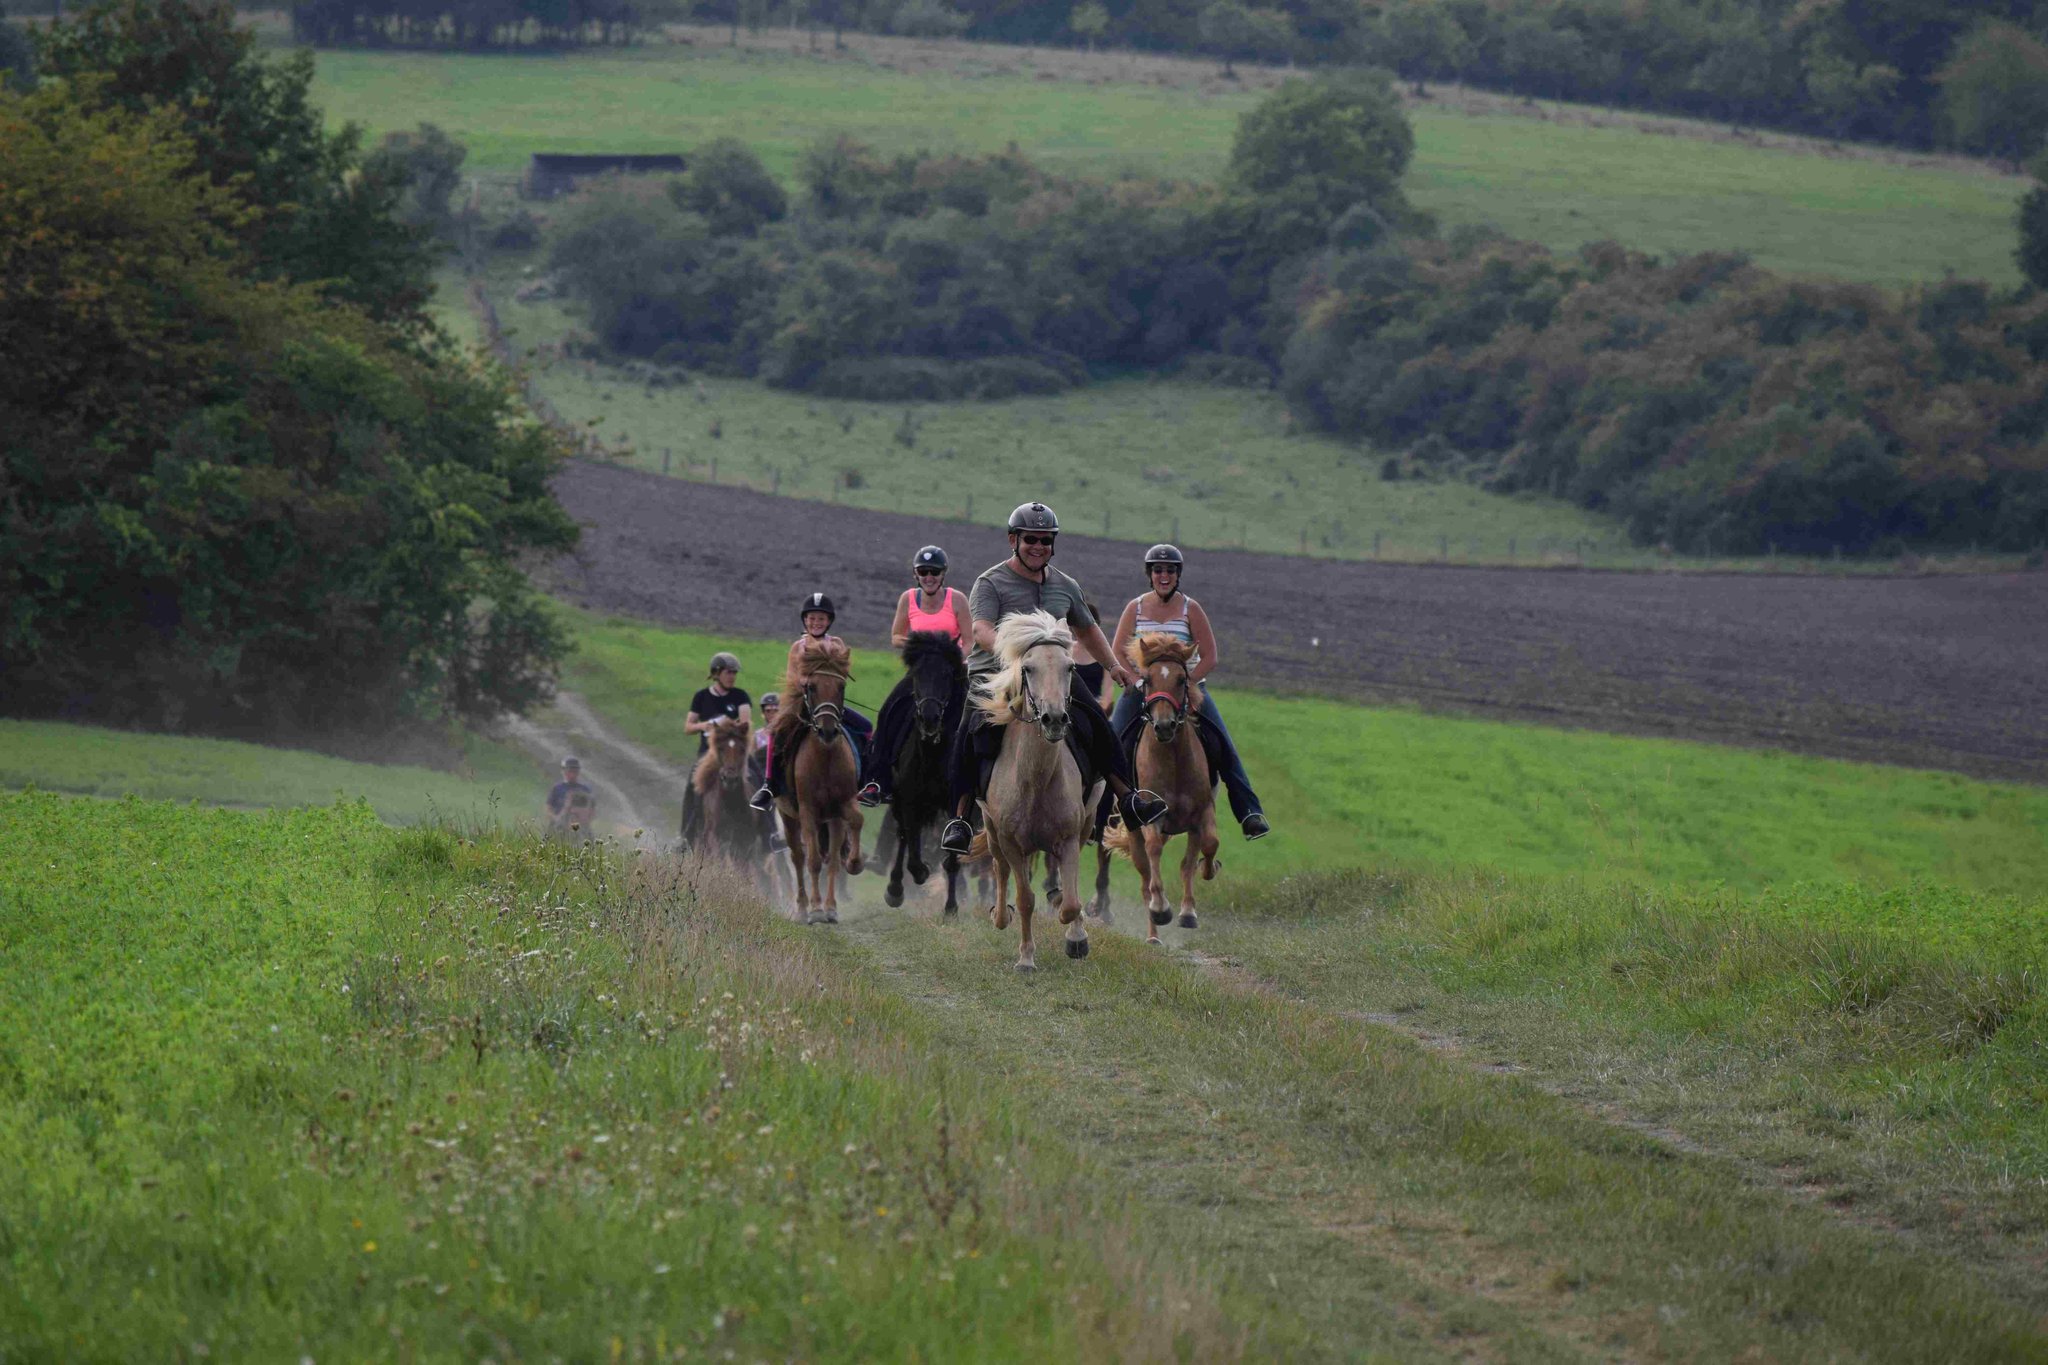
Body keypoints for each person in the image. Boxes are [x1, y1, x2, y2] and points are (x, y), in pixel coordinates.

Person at [938, 502, 1168, 855]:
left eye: (1046, 540)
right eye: (1031, 539)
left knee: (1097, 722)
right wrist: (1019, 654)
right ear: (1013, 540)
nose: (1038, 546)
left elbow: (1087, 630)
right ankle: (960, 819)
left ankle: (1128, 798)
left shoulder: (1065, 585)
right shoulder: (990, 582)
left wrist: (1113, 666)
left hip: (1053, 673)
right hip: (998, 674)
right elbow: (981, 630)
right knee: (969, 731)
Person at [1110, 543, 1271, 840]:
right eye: (1158, 570)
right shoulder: (1135, 608)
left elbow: (1210, 655)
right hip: (1144, 689)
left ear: (1178, 575)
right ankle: (1100, 819)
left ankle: (1249, 812)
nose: (1164, 576)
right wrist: (1136, 682)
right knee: (1111, 740)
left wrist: (1187, 684)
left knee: (1222, 742)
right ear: (1150, 574)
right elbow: (1117, 651)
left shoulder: (1190, 609)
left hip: (1186, 689)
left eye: (1170, 571)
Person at [858, 545, 970, 807]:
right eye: (923, 571)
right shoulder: (908, 599)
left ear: (943, 574)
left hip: (951, 674)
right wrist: (919, 645)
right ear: (915, 574)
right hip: (920, 674)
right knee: (888, 712)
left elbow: (970, 640)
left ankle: (978, 781)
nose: (929, 577)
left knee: (979, 717)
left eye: (934, 572)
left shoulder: (957, 600)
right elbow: (896, 636)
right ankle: (877, 781)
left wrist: (953, 657)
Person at [750, 593, 872, 811]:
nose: (816, 623)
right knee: (776, 731)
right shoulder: (798, 647)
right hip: (803, 704)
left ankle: (868, 781)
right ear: (805, 620)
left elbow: (842, 673)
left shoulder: (836, 644)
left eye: (821, 619)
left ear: (829, 621)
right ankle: (769, 785)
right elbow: (792, 676)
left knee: (866, 727)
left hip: (828, 703)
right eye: (812, 618)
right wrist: (806, 682)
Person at [678, 651, 753, 844]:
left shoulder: (740, 696)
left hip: (736, 752)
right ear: (716, 673)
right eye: (728, 672)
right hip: (709, 754)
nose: (732, 677)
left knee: (759, 779)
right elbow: (688, 727)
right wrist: (705, 725)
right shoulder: (701, 697)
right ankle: (686, 835)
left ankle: (769, 833)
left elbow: (745, 723)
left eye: (734, 673)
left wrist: (727, 725)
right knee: (693, 788)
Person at [545, 756, 595, 834]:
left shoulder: (585, 790)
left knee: (586, 836)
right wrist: (556, 818)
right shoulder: (557, 788)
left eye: (575, 771)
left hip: (578, 825)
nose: (572, 774)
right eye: (569, 771)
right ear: (563, 772)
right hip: (560, 823)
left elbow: (591, 810)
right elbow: (548, 808)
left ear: (578, 772)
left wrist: (583, 821)